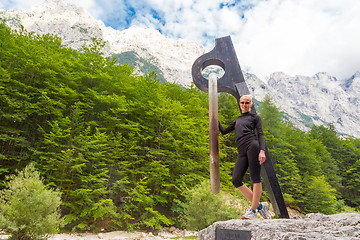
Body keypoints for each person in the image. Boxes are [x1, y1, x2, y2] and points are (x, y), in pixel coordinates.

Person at [218, 94, 271, 219]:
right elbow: (224, 131)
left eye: (247, 103)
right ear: (240, 104)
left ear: (251, 104)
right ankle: (259, 206)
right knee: (236, 180)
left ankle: (252, 212)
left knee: (255, 177)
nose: (244, 105)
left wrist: (262, 150)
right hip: (241, 151)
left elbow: (261, 134)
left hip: (253, 146)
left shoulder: (255, 117)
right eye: (242, 102)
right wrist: (215, 120)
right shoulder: (238, 119)